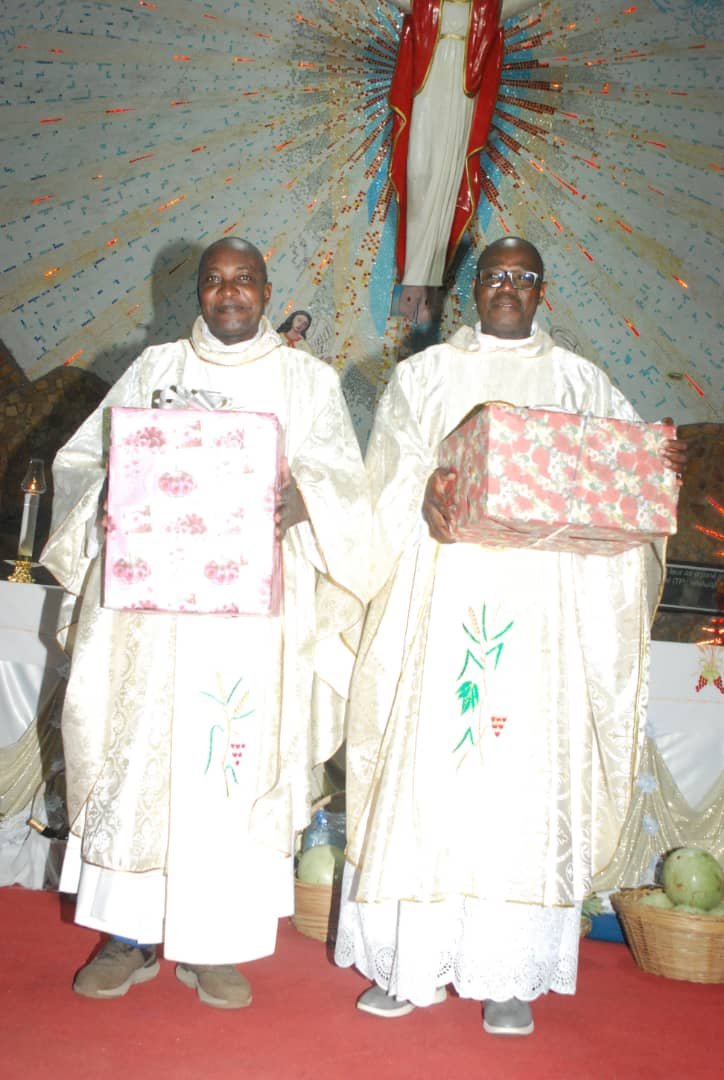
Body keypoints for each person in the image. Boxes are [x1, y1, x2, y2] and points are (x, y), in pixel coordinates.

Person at [335, 237, 687, 1034]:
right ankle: (407, 962)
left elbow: (627, 492)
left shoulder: (583, 382)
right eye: (493, 275)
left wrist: (659, 466)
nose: (507, 287)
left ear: (542, 290)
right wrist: (420, 498)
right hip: (441, 602)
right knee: (432, 775)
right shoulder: (423, 379)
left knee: (521, 788)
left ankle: (507, 972)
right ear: (471, 289)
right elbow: (383, 485)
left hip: (540, 623)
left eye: (522, 277)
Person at [41, 238, 369, 1008]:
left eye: (244, 279)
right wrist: (113, 496)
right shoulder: (154, 370)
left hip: (248, 628)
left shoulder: (306, 381)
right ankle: (129, 936)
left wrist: (306, 505)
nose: (230, 292)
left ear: (265, 289)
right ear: (197, 291)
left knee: (231, 765)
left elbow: (345, 486)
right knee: (143, 763)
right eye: (216, 280)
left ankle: (215, 942)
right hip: (151, 626)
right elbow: (81, 462)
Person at [389, 1, 539, 319]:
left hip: (460, 100)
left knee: (446, 183)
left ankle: (423, 283)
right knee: (417, 174)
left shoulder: (486, 6)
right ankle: (411, 276)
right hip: (425, 94)